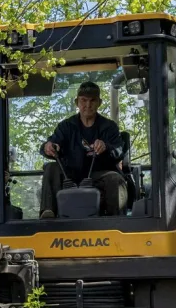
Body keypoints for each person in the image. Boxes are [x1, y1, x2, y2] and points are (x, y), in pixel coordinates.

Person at [39, 81, 128, 218]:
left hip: (99, 176)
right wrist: (49, 147)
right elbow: (52, 143)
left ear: (99, 102)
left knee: (115, 178)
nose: (88, 105)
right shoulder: (67, 126)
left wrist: (106, 147)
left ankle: (114, 221)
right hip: (70, 176)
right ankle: (48, 213)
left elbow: (119, 151)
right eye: (83, 100)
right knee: (51, 167)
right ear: (77, 102)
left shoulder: (109, 127)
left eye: (92, 100)